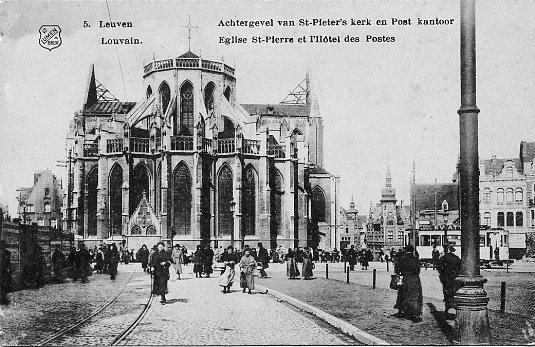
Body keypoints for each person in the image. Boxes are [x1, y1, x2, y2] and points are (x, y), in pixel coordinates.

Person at [396, 245, 423, 323]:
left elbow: (398, 269)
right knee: (415, 295)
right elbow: (418, 270)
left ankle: (402, 311)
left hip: (406, 278)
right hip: (415, 278)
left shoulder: (402, 259)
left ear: (405, 250)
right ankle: (416, 313)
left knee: (403, 294)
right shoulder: (416, 259)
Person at [437, 245, 461, 319]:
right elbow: (460, 268)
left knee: (447, 295)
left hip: (446, 280)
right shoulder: (456, 258)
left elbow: (439, 269)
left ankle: (447, 311)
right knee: (454, 294)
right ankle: (456, 312)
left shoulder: (443, 258)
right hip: (455, 279)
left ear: (446, 250)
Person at [0, 240, 12, 305]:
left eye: (3, 245)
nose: (2, 247)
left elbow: (8, 263)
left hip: (5, 272)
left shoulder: (7, 253)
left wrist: (8, 270)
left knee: (4, 287)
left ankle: (4, 300)